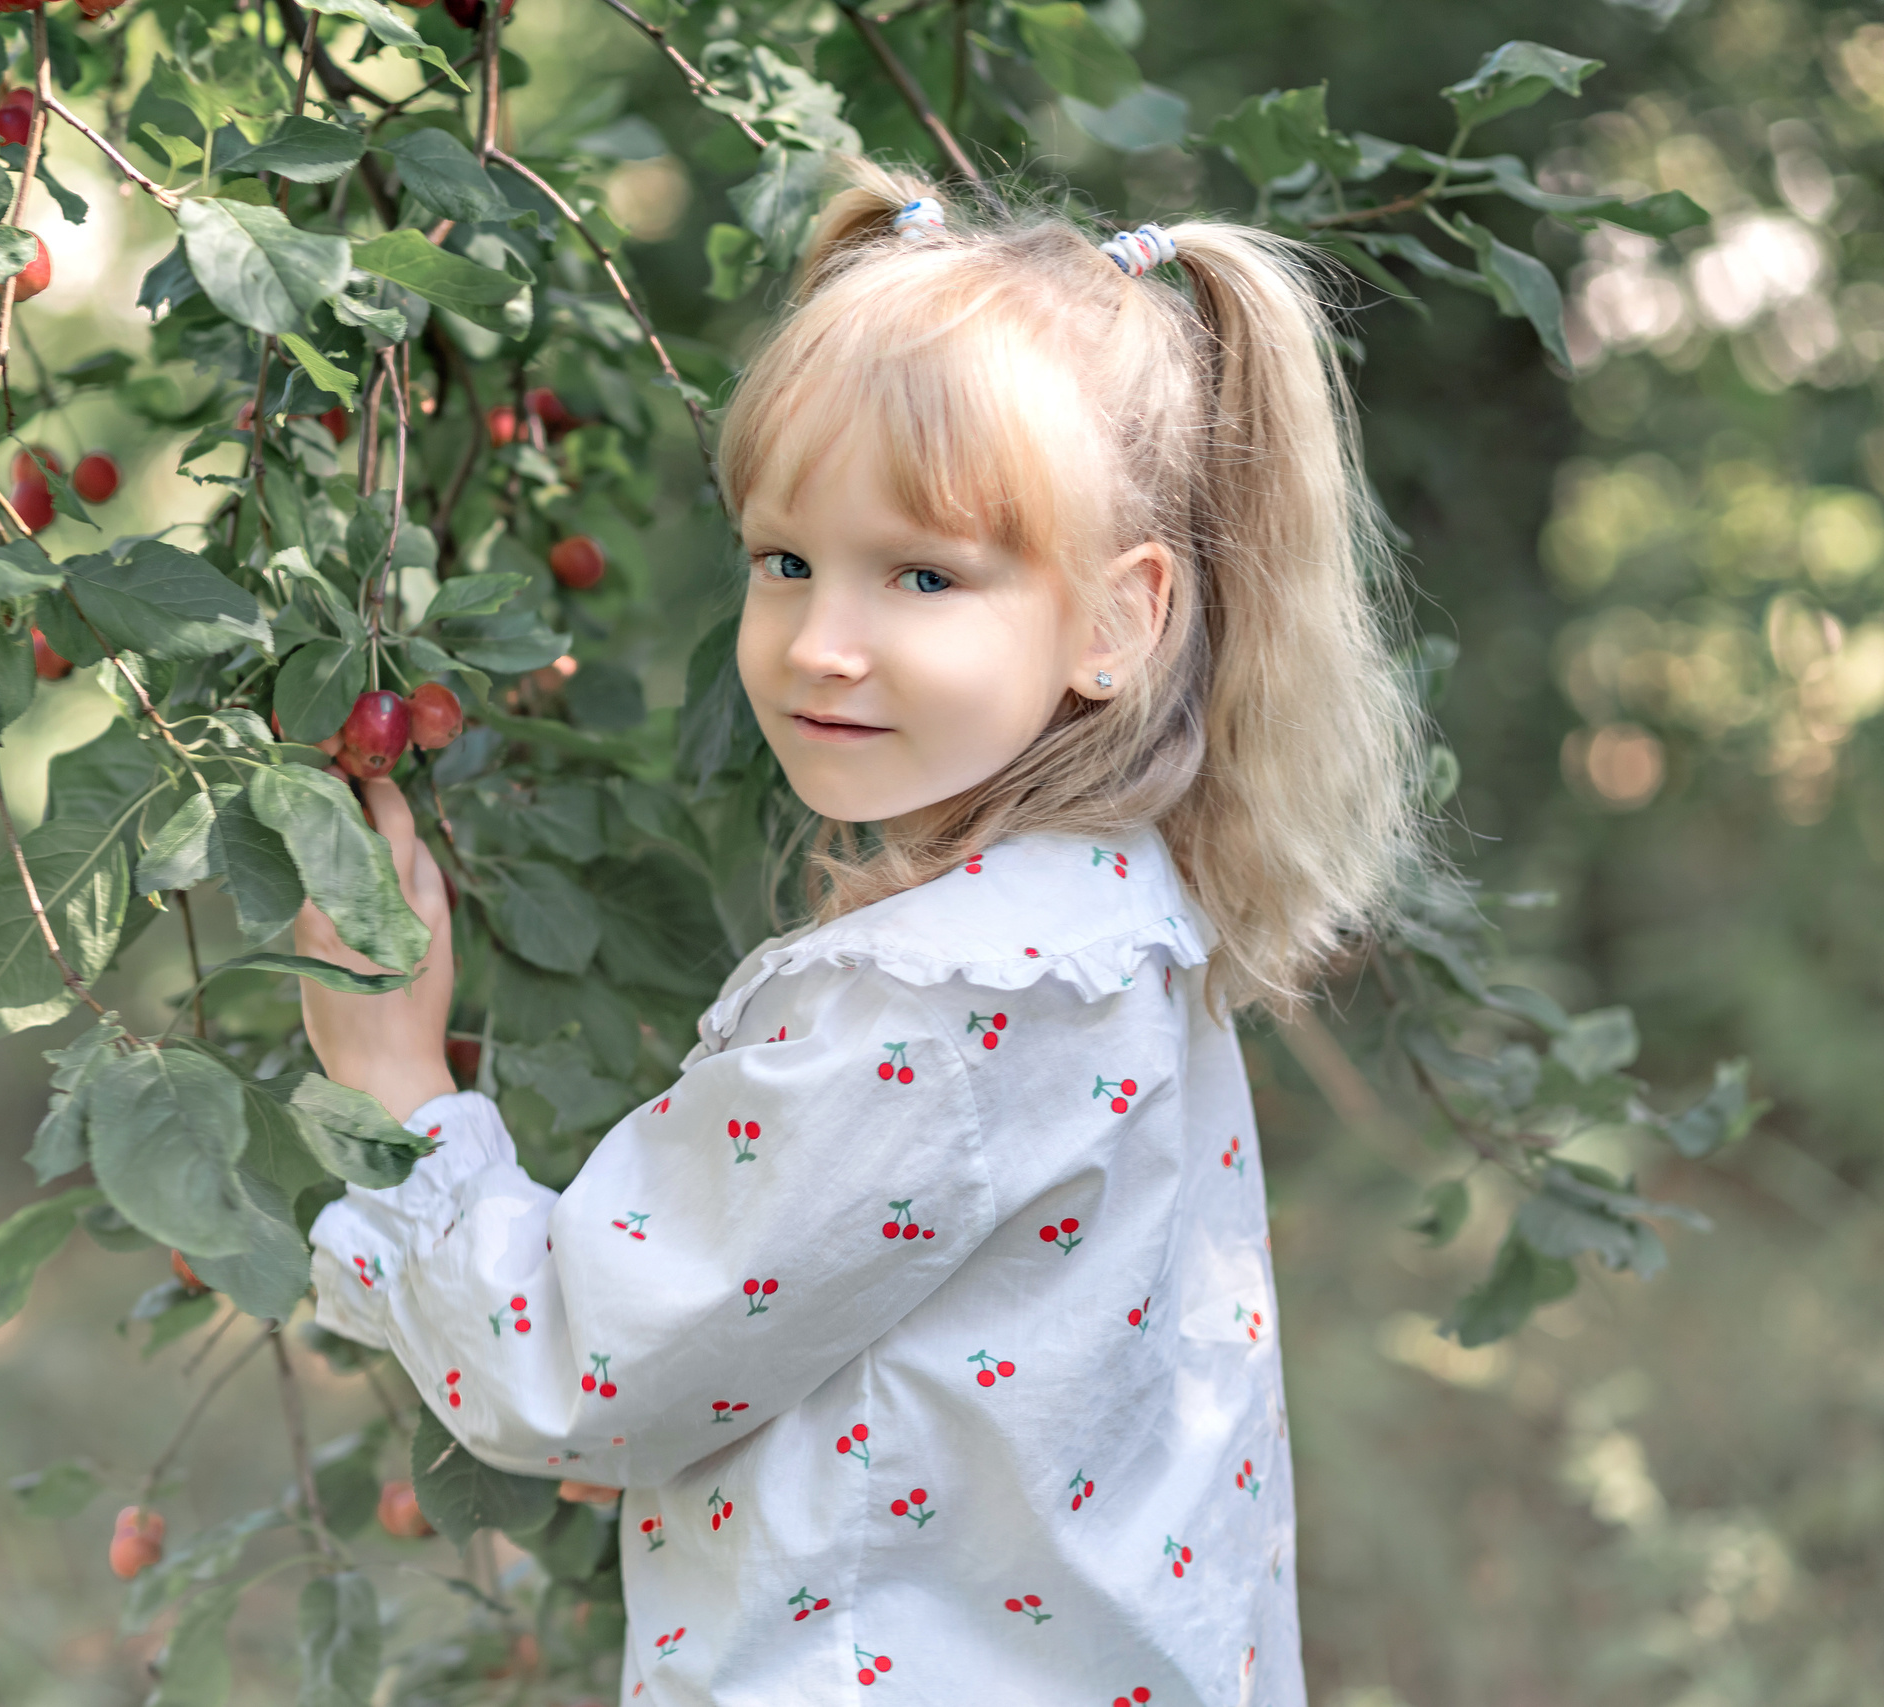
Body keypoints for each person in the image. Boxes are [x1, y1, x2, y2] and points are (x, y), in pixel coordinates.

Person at [293, 160, 1422, 1706]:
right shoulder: (1117, 924)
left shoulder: (933, 1008)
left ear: (1118, 621)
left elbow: (578, 1371)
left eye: (923, 575)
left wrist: (396, 1085)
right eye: (786, 561)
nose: (823, 643)